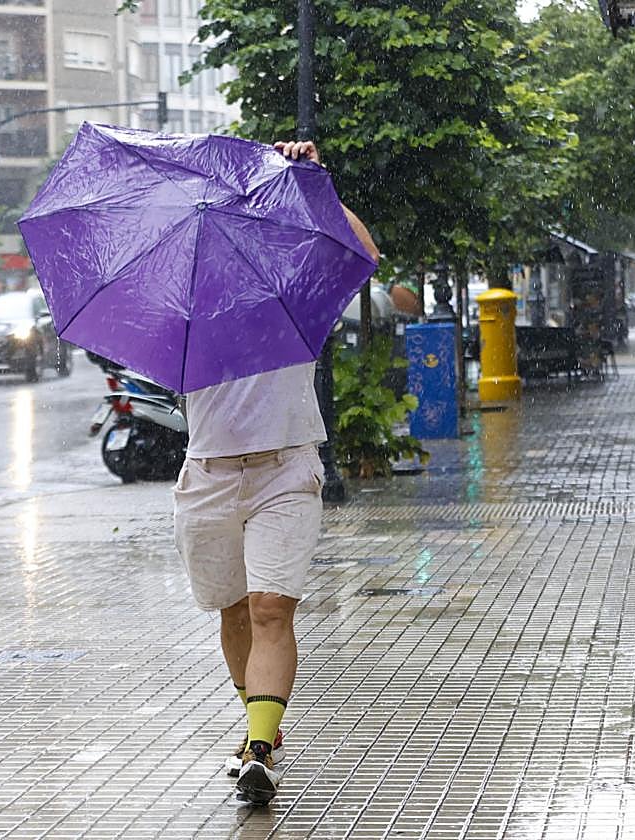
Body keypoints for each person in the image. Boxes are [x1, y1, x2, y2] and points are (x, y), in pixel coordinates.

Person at [172, 139, 380, 806]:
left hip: (286, 470)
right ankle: (260, 722)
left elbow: (364, 257)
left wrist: (314, 186)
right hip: (207, 477)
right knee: (232, 611)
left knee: (269, 607)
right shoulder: (177, 306)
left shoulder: (292, 290)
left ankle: (260, 748)